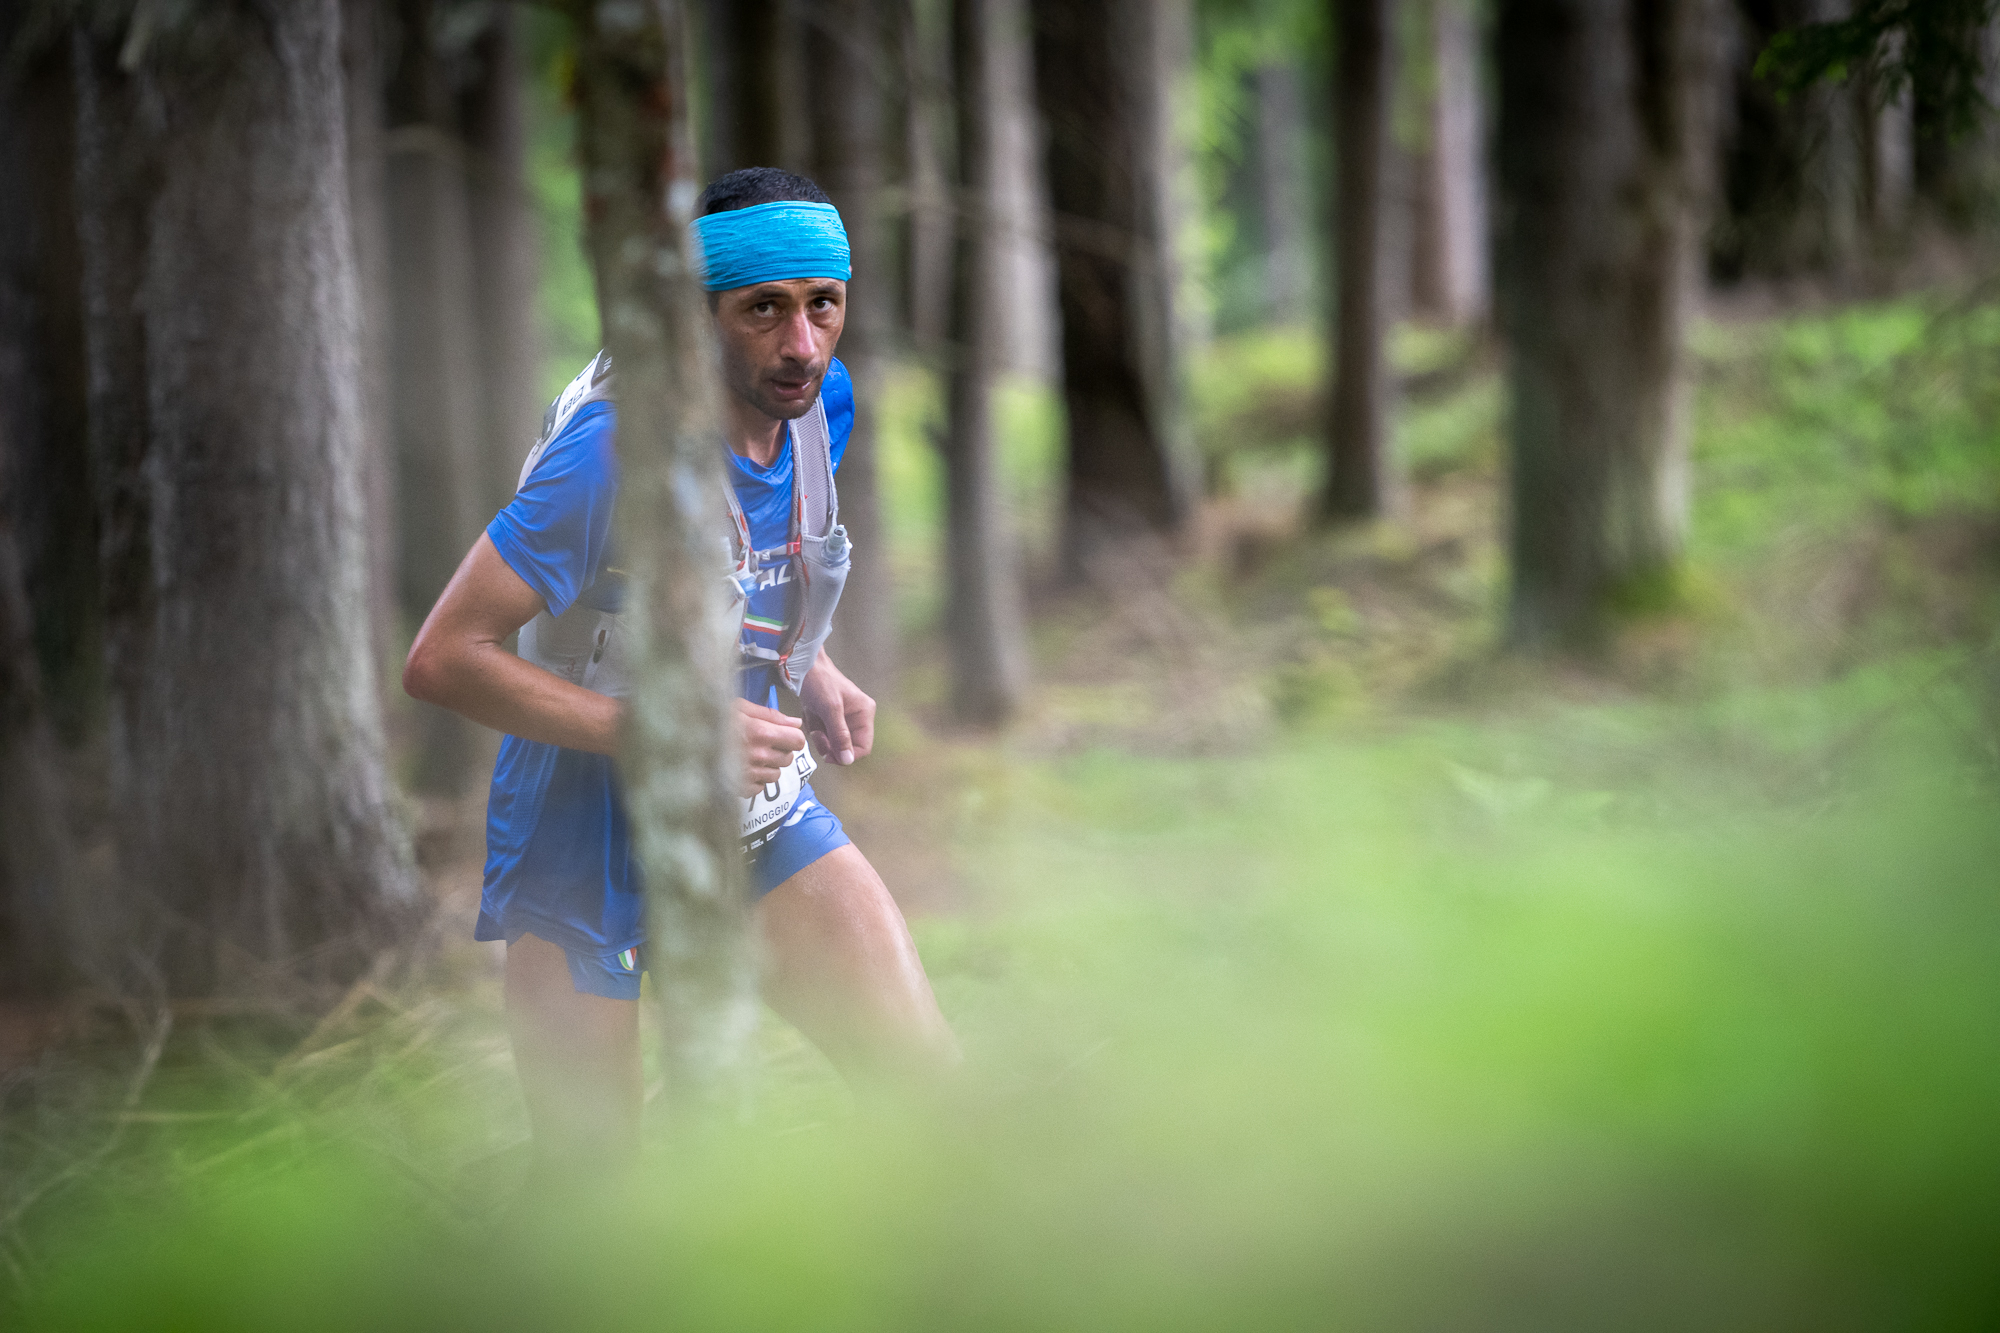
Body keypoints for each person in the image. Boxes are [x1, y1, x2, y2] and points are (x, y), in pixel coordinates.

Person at [404, 168, 958, 1181]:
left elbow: (741, 566)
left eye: (823, 304)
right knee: (596, 1190)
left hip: (749, 806)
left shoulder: (817, 407)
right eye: (763, 309)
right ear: (697, 318)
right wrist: (669, 733)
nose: (802, 344)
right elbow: (443, 659)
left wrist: (807, 663)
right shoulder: (610, 454)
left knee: (925, 1089)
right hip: (577, 828)